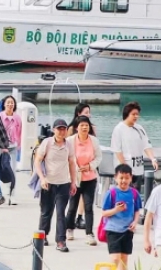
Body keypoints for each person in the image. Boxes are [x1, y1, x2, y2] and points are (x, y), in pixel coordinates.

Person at [34, 119, 77, 252]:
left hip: (63, 183)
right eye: (59, 129)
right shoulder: (47, 143)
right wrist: (42, 178)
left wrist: (73, 182)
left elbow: (72, 163)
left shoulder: (69, 145)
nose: (62, 132)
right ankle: (43, 235)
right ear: (54, 130)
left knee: (60, 213)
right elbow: (37, 161)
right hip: (48, 183)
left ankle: (61, 241)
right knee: (46, 212)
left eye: (64, 129)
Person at [64, 115, 101, 245]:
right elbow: (67, 158)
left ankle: (89, 233)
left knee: (88, 206)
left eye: (86, 125)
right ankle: (69, 229)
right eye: (82, 125)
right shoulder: (70, 141)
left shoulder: (94, 141)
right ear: (76, 127)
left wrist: (90, 166)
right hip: (75, 178)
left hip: (90, 178)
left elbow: (98, 157)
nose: (84, 127)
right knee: (72, 206)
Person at [102, 163, 143, 269]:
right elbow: (104, 213)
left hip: (127, 230)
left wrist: (135, 222)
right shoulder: (111, 193)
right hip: (113, 230)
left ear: (131, 178)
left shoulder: (134, 193)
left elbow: (137, 210)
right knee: (115, 258)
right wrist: (116, 210)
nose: (124, 181)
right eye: (121, 178)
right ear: (115, 177)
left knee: (124, 259)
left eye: (127, 178)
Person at [111, 101, 158, 190]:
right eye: (133, 114)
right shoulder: (118, 129)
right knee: (124, 193)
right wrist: (125, 168)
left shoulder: (139, 128)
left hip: (138, 168)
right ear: (127, 114)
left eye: (137, 114)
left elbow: (146, 145)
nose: (136, 116)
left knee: (136, 193)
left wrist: (153, 159)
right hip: (124, 171)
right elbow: (117, 150)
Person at [68, 102, 95, 230]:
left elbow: (96, 148)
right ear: (78, 114)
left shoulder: (92, 129)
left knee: (87, 200)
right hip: (75, 169)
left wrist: (91, 165)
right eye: (86, 112)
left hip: (89, 167)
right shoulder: (71, 130)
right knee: (73, 202)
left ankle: (80, 217)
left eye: (89, 112)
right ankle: (70, 226)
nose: (88, 115)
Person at [0, 96, 22, 171]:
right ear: (4, 104)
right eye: (8, 102)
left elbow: (19, 131)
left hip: (13, 146)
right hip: (0, 146)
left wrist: (19, 145)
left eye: (12, 103)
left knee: (12, 169)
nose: (10, 104)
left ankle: (12, 179)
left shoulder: (17, 117)